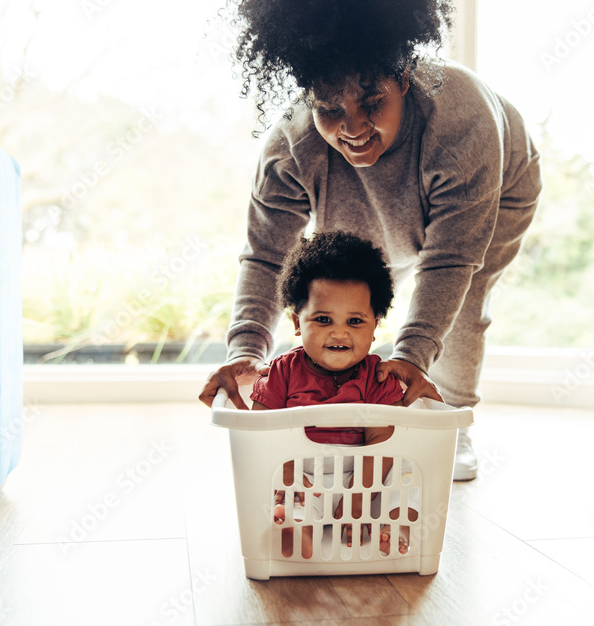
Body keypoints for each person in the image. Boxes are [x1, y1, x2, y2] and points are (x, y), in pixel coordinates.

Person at [198, 0, 542, 482]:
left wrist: (410, 357)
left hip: (499, 187)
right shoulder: (290, 148)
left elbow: (449, 262)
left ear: (403, 76)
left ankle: (451, 423)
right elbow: (267, 255)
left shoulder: (459, 122)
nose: (354, 128)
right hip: (359, 197)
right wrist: (246, 350)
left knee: (463, 300)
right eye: (330, 109)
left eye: (372, 103)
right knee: (345, 284)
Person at [251, 230, 416, 558]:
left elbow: (383, 445)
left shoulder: (378, 376)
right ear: (298, 322)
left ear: (375, 325)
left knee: (408, 471)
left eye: (355, 321)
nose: (339, 332)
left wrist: (358, 497)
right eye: (323, 319)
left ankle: (396, 522)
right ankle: (297, 530)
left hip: (364, 478)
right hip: (304, 477)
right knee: (283, 493)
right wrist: (287, 477)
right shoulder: (282, 371)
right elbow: (261, 434)